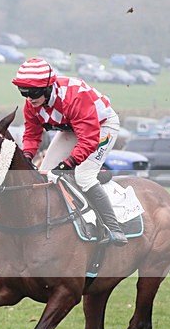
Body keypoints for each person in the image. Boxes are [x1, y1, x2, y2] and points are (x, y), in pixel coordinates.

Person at [12, 57, 127, 246]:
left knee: (83, 176)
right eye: (23, 92)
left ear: (48, 87)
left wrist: (69, 164)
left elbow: (89, 139)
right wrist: (26, 157)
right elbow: (32, 136)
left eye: (33, 92)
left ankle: (113, 227)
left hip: (101, 126)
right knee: (46, 175)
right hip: (72, 128)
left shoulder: (74, 97)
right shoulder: (31, 105)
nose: (29, 98)